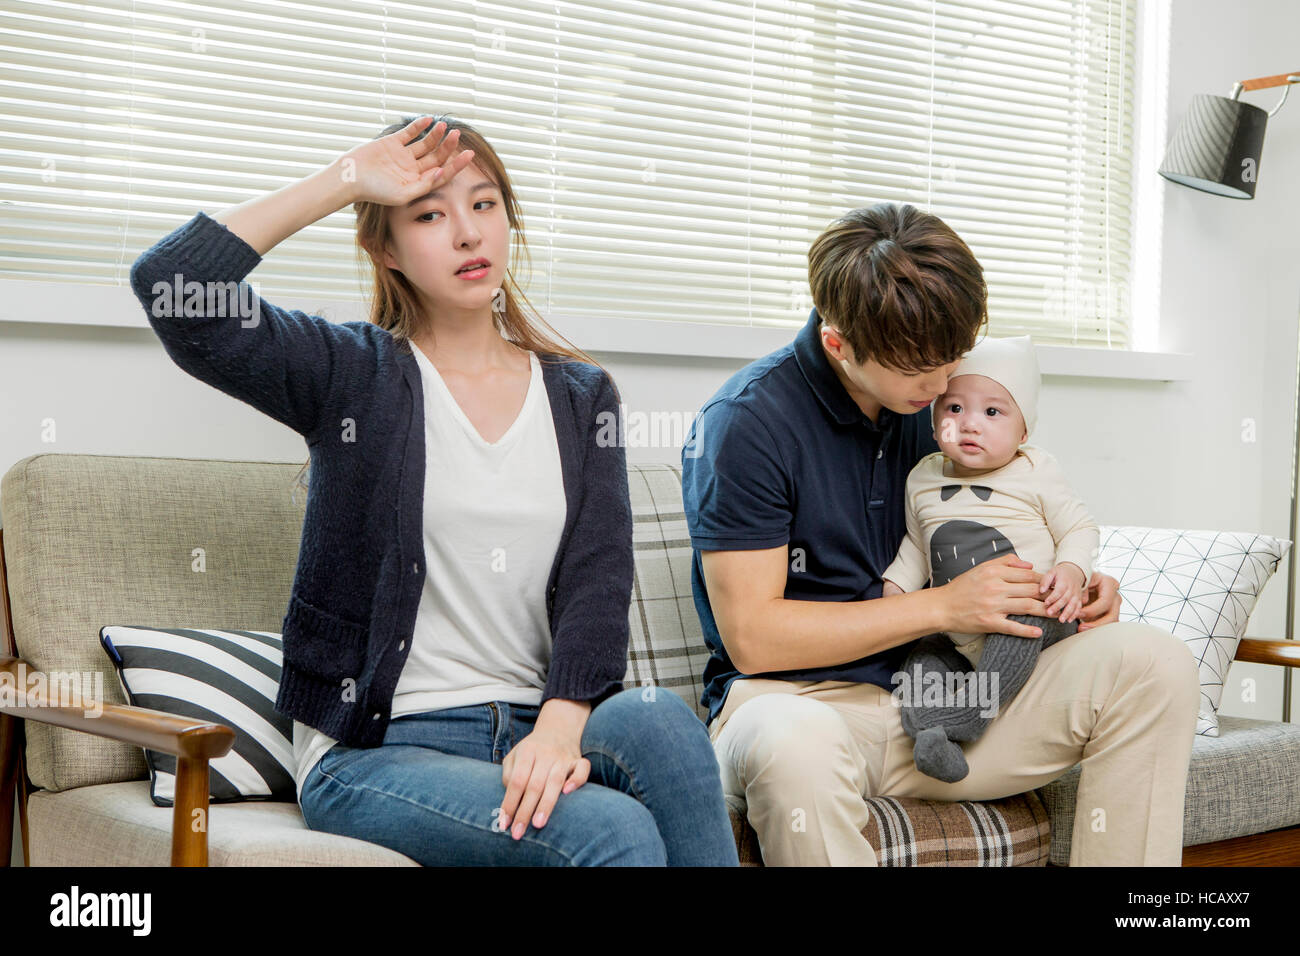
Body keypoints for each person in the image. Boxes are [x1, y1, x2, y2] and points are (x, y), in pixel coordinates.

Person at [129, 112, 738, 867]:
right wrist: (345, 178)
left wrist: (558, 725)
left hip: (537, 727)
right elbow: (172, 287)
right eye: (428, 215)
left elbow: (598, 580)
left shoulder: (583, 398)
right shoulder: (352, 376)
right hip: (381, 749)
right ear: (384, 250)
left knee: (665, 725)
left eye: (484, 205)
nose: (467, 234)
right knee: (613, 832)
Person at [681, 201, 1200, 867]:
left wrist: (1067, 586)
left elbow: (1006, 526)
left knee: (1154, 664)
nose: (942, 383)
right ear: (838, 341)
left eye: (951, 357)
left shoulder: (934, 402)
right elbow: (753, 641)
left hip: (943, 705)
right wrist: (945, 606)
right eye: (919, 370)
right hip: (793, 705)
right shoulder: (747, 425)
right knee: (794, 741)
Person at [881, 334, 1100, 783]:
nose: (969, 424)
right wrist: (896, 593)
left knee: (1021, 619)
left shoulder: (1036, 471)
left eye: (992, 412)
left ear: (1024, 431)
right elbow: (917, 545)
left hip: (1036, 614)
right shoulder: (922, 477)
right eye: (954, 408)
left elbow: (1079, 528)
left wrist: (1071, 571)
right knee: (922, 659)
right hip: (957, 628)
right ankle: (929, 734)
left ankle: (967, 721)